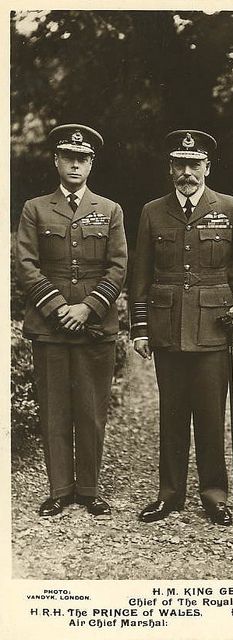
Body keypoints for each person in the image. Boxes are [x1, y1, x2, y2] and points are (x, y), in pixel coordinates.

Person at [130, 129, 233, 526]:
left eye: (195, 165)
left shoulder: (229, 207)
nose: (187, 172)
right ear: (170, 168)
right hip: (167, 326)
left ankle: (214, 496)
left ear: (207, 167)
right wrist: (140, 328)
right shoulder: (152, 212)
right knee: (172, 414)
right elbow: (139, 275)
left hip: (214, 327)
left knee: (211, 416)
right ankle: (169, 495)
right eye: (180, 164)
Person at [16, 124, 128, 517]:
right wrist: (58, 306)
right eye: (69, 157)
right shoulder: (36, 208)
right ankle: (60, 489)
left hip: (95, 325)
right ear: (57, 161)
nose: (76, 164)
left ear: (91, 164)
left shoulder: (110, 209)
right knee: (54, 409)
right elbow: (26, 264)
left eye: (83, 158)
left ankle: (90, 489)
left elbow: (118, 267)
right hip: (49, 327)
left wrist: (88, 308)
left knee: (92, 408)